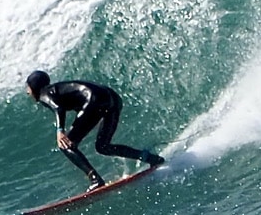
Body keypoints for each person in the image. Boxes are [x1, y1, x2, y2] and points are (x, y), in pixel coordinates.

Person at [25, 70, 164, 191]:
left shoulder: (45, 93)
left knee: (66, 144)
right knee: (103, 146)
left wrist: (60, 130)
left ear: (34, 87)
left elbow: (58, 108)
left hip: (93, 100)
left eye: (28, 87)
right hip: (112, 97)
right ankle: (151, 158)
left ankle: (95, 180)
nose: (27, 92)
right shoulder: (59, 89)